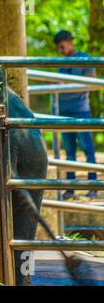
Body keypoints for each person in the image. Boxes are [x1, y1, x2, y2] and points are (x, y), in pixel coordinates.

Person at [53, 30, 98, 200]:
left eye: (62, 46)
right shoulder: (62, 64)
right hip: (64, 112)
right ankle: (70, 188)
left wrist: (69, 87)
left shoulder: (84, 59)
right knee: (69, 152)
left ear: (69, 42)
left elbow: (91, 83)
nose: (61, 50)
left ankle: (93, 186)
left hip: (81, 111)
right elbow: (58, 85)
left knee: (88, 150)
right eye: (59, 48)